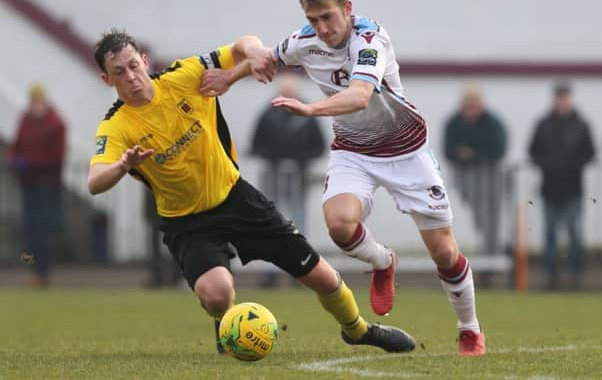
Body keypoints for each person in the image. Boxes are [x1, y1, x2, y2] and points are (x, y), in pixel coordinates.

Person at [204, 0, 485, 356]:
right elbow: (268, 59)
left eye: (328, 17)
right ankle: (383, 261)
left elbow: (359, 96)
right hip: (354, 150)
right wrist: (229, 77)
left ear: (347, 9)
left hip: (406, 151)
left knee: (445, 254)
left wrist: (310, 108)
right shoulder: (304, 41)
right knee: (338, 225)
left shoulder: (370, 39)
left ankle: (469, 329)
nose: (321, 27)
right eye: (312, 20)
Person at [87, 29, 415, 355]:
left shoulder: (183, 76)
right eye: (119, 72)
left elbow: (242, 45)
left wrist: (254, 53)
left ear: (144, 61)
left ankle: (358, 330)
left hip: (236, 198)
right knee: (217, 295)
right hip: (186, 222)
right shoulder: (116, 126)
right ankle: (224, 321)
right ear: (107, 80)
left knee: (323, 279)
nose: (130, 76)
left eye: (133, 65)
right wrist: (121, 166)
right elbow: (95, 180)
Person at [250, 73, 326, 287]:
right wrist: (273, 157)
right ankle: (270, 271)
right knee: (272, 221)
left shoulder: (306, 115)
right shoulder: (267, 115)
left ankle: (301, 269)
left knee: (298, 223)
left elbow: (319, 146)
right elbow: (256, 144)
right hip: (273, 176)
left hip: (298, 177)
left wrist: (301, 159)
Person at [528, 82, 595, 290]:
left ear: (570, 99)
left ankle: (576, 275)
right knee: (550, 233)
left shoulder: (581, 124)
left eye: (565, 98)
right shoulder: (543, 124)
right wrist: (549, 165)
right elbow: (533, 151)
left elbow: (590, 152)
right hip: (550, 187)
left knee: (574, 232)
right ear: (555, 99)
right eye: (559, 98)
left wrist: (571, 165)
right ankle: (551, 277)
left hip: (573, 187)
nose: (562, 102)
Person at [7, 83, 67, 287]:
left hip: (46, 186)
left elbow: (56, 158)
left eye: (37, 101)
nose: (34, 105)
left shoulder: (56, 124)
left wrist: (29, 164)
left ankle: (43, 273)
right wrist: (14, 159)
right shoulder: (25, 120)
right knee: (29, 229)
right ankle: (33, 269)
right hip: (29, 184)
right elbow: (16, 145)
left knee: (44, 231)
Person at [443, 84, 507, 255]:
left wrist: (472, 155)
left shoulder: (493, 123)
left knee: (490, 222)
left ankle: (491, 256)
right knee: (478, 221)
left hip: (490, 180)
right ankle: (482, 256)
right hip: (465, 182)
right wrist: (463, 155)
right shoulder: (454, 123)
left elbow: (499, 150)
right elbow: (448, 150)